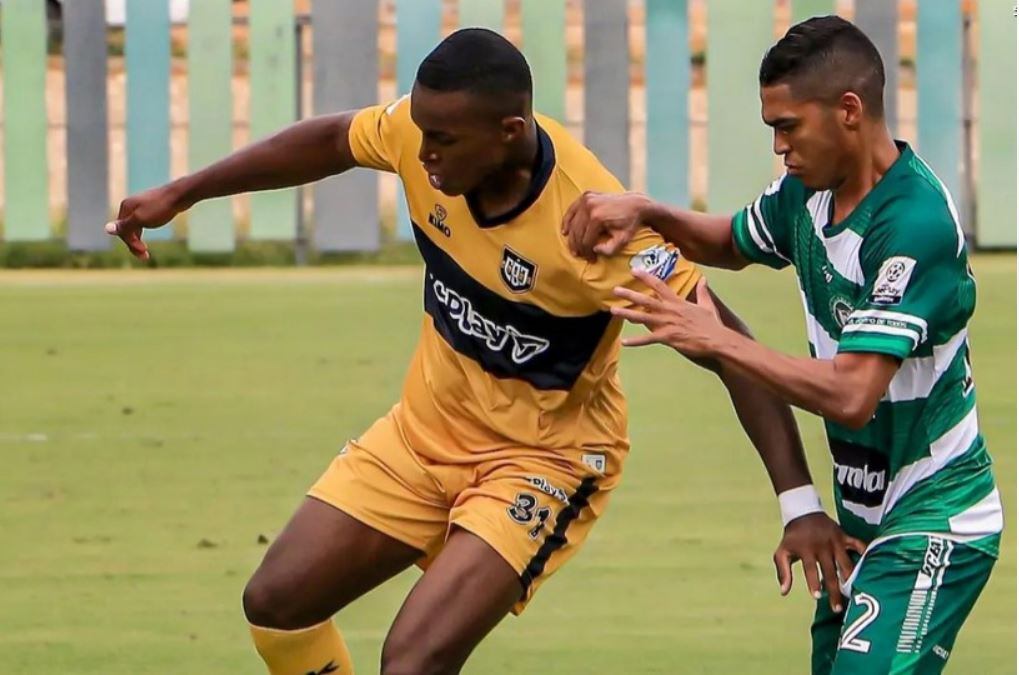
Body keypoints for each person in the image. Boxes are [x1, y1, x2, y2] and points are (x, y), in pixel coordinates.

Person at [106, 28, 855, 675]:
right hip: (421, 435)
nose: (421, 152)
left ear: (509, 130)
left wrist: (799, 505)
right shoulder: (419, 134)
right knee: (276, 604)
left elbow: (726, 347)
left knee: (412, 660)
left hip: (545, 462)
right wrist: (183, 191)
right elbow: (332, 139)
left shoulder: (593, 225)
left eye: (443, 139)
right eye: (420, 131)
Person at [561, 16, 1002, 675]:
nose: (778, 146)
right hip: (862, 518)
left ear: (847, 111)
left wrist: (717, 340)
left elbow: (851, 393)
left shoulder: (912, 224)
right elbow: (730, 243)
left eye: (787, 126)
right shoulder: (807, 196)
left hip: (935, 517)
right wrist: (650, 213)